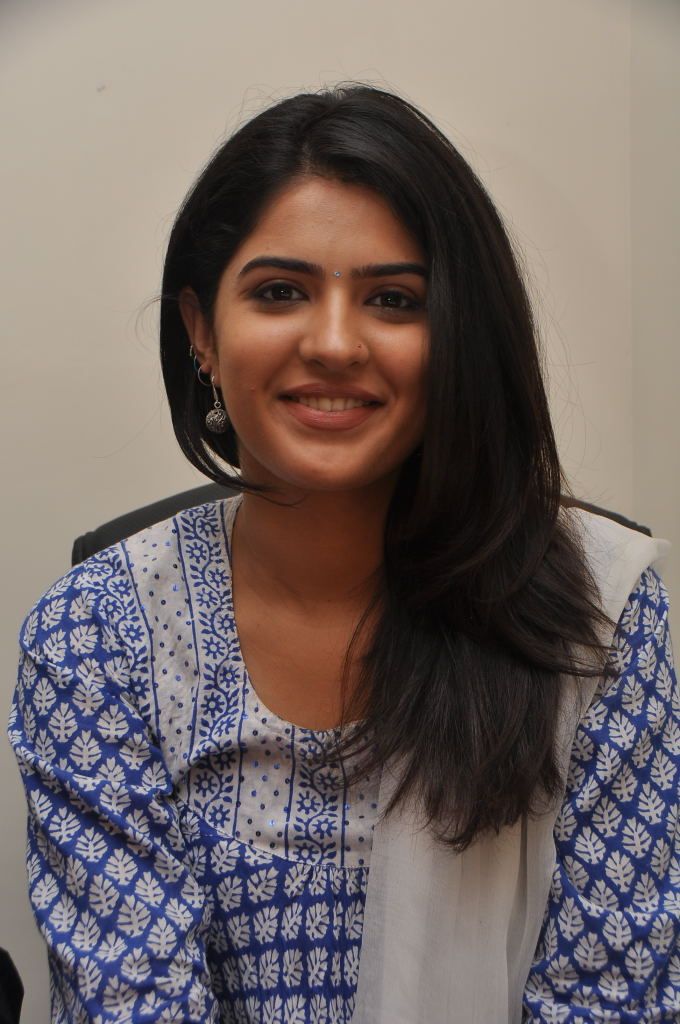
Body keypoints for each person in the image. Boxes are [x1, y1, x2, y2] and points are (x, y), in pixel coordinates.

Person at [8, 84, 677, 1024]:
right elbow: (133, 1004)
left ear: (458, 337)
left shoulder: (597, 618)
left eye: (393, 300)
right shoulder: (96, 636)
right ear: (201, 331)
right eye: (280, 292)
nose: (333, 344)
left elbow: (612, 998)